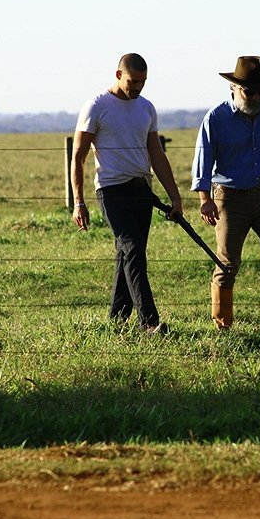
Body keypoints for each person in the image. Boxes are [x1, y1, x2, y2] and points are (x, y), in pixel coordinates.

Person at [71, 53, 182, 333]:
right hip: (111, 190)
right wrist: (78, 202)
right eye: (133, 81)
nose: (137, 88)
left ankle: (117, 321)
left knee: (128, 255)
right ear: (119, 74)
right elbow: (78, 157)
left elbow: (156, 155)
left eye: (143, 82)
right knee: (133, 250)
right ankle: (149, 322)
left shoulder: (146, 108)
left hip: (141, 191)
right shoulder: (96, 106)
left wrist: (175, 196)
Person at [191, 55, 260, 331]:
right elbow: (203, 161)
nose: (256, 96)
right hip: (229, 198)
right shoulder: (216, 118)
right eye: (249, 91)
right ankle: (224, 325)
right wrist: (205, 199)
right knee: (227, 262)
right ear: (234, 88)